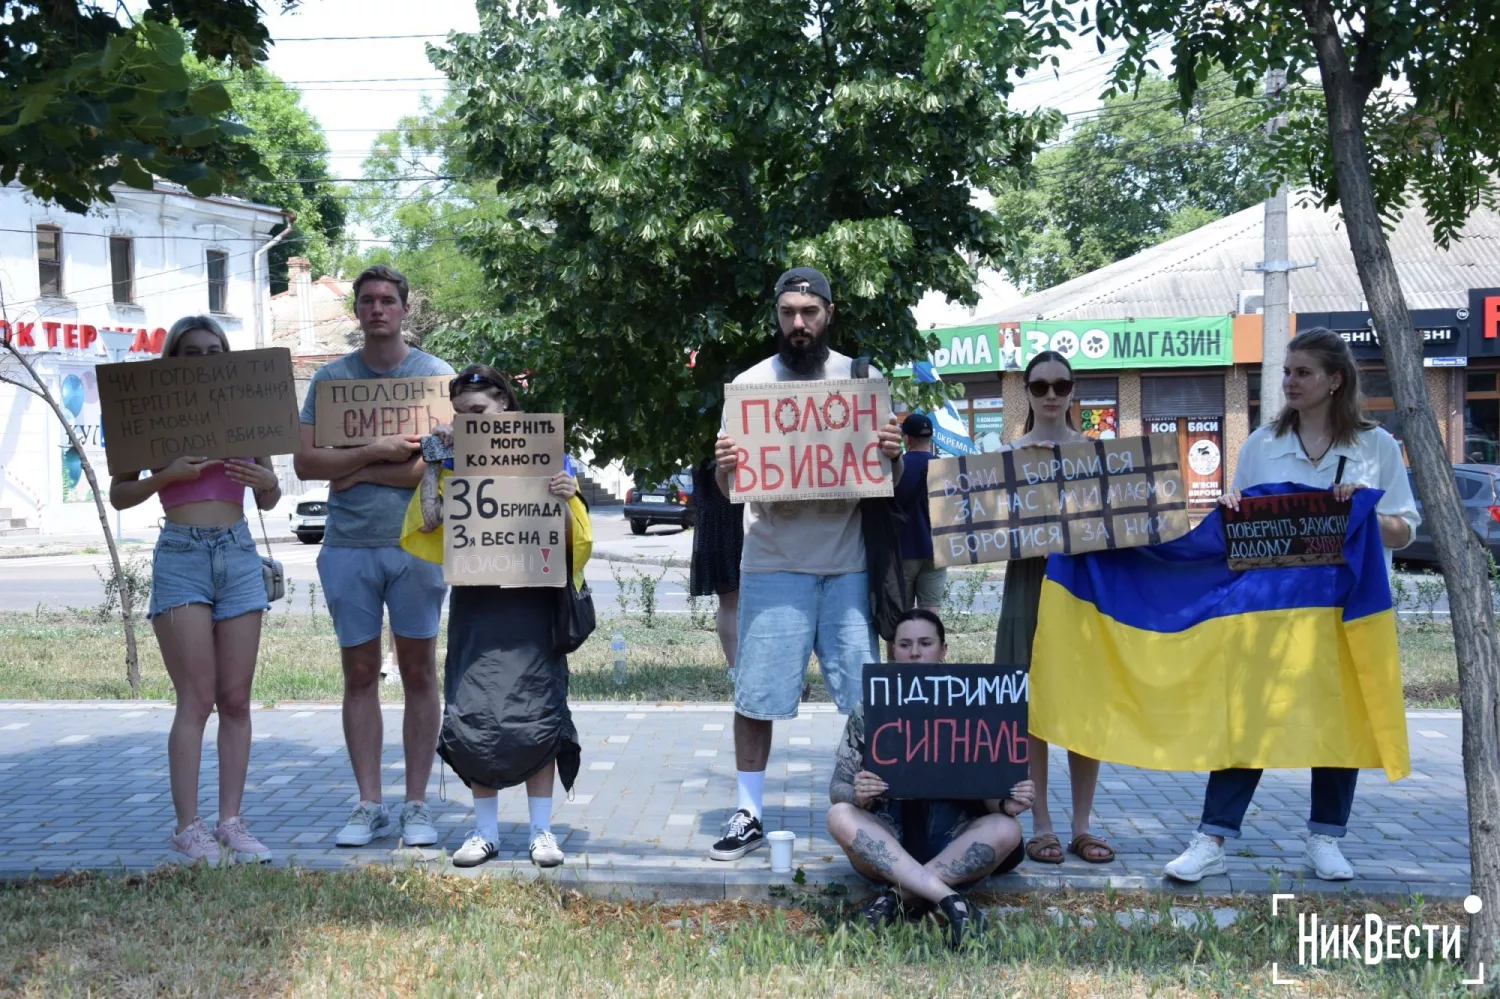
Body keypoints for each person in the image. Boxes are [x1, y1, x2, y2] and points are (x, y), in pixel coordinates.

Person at [1164, 327, 1419, 884]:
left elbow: (1403, 531)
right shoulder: (1260, 444)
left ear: (1335, 380)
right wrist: (1232, 509)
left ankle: (1325, 839)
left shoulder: (1376, 446)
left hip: (1344, 610)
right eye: (1286, 372)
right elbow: (1239, 534)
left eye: (1302, 372)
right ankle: (1211, 838)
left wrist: (1364, 516)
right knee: (1247, 719)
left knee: (1338, 716)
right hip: (1270, 612)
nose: (1289, 382)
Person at [709, 267, 904, 861]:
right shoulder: (748, 386)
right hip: (772, 564)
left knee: (869, 697)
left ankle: (882, 805)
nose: (799, 323)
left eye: (809, 312)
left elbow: (885, 481)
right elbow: (729, 488)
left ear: (828, 313)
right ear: (776, 314)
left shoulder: (863, 380)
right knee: (755, 695)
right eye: (789, 312)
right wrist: (723, 464)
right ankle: (749, 812)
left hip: (848, 565)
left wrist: (892, 455)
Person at [109, 316, 281, 863]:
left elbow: (272, 496)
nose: (203, 360)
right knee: (197, 698)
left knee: (235, 698)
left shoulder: (246, 408)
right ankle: (189, 827)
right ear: (174, 359)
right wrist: (169, 476)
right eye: (191, 352)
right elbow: (120, 494)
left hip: (237, 550)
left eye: (214, 351)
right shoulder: (156, 409)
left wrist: (268, 483)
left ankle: (231, 819)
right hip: (182, 552)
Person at [292, 265, 454, 849]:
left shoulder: (436, 379)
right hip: (347, 549)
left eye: (388, 300)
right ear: (356, 311)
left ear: (405, 309)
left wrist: (357, 468)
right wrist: (379, 451)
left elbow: (441, 467)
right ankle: (368, 804)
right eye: (367, 301)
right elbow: (307, 465)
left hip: (418, 544)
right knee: (359, 673)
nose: (378, 309)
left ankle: (416, 805)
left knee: (418, 672)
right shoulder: (332, 381)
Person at [411, 365, 586, 870]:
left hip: (533, 602)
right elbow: (429, 521)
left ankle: (541, 832)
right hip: (478, 601)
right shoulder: (451, 460)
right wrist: (431, 464)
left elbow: (575, 533)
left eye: (480, 413)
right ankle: (484, 832)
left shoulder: (546, 453)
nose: (469, 423)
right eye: (460, 415)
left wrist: (567, 494)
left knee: (538, 710)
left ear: (506, 407)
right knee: (474, 710)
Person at [826, 608, 1032, 949]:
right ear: (893, 651)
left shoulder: (977, 702)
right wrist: (857, 795)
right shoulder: (870, 706)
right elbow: (837, 788)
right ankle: (952, 901)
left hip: (954, 838)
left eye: (925, 643)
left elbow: (992, 798)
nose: (915, 652)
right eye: (905, 644)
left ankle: (895, 899)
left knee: (1008, 828)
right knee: (839, 816)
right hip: (888, 839)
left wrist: (1008, 801)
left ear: (943, 649)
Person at [996, 350, 1113, 866]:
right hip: (1027, 583)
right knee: (1031, 708)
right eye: (1039, 386)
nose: (1049, 395)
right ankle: (1040, 825)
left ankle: (1083, 826)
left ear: (1072, 392)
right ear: (1027, 391)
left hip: (1084, 586)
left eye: (1059, 386)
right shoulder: (1003, 456)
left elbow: (1120, 528)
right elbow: (983, 530)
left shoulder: (1100, 453)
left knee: (1084, 703)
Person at [689, 451, 743, 679]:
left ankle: (736, 668)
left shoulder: (697, 430)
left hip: (715, 517)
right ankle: (737, 668)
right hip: (732, 515)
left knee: (729, 600)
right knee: (732, 599)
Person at [892, 413, 945, 614]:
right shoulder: (946, 468)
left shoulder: (895, 468)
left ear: (907, 439)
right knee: (931, 612)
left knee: (899, 616)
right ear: (930, 437)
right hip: (937, 552)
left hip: (903, 552)